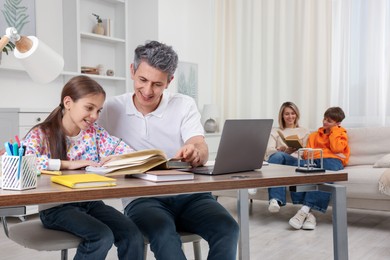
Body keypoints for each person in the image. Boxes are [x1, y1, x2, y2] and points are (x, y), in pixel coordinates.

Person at [98, 40, 239, 260]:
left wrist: (195, 151)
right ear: (132, 71)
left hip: (191, 195)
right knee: (164, 235)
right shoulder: (111, 109)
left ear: (169, 81)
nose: (147, 90)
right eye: (143, 80)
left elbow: (200, 145)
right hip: (143, 199)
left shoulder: (184, 104)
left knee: (228, 228)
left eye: (157, 84)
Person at [22, 75, 144, 260]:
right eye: (89, 108)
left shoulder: (95, 133)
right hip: (56, 208)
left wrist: (118, 158)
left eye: (98, 110)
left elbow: (129, 153)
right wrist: (68, 164)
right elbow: (24, 161)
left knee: (132, 234)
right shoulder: (42, 133)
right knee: (101, 236)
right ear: (68, 102)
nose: (94, 116)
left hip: (90, 202)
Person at [268, 106, 350, 230]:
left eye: (329, 121)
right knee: (300, 167)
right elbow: (307, 154)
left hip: (332, 161)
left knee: (326, 170)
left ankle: (304, 210)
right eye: (324, 119)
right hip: (313, 160)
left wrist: (335, 131)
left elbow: (336, 149)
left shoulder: (341, 134)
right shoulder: (314, 135)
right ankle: (307, 214)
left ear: (337, 124)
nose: (324, 122)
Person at [264, 102, 310, 213]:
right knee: (277, 156)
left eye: (293, 113)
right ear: (282, 116)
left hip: (296, 161)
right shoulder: (275, 131)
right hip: (279, 160)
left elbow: (307, 152)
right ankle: (275, 200)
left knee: (278, 158)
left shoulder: (304, 131)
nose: (290, 117)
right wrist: (283, 150)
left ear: (297, 115)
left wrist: (297, 150)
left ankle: (274, 198)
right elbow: (269, 151)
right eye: (287, 114)